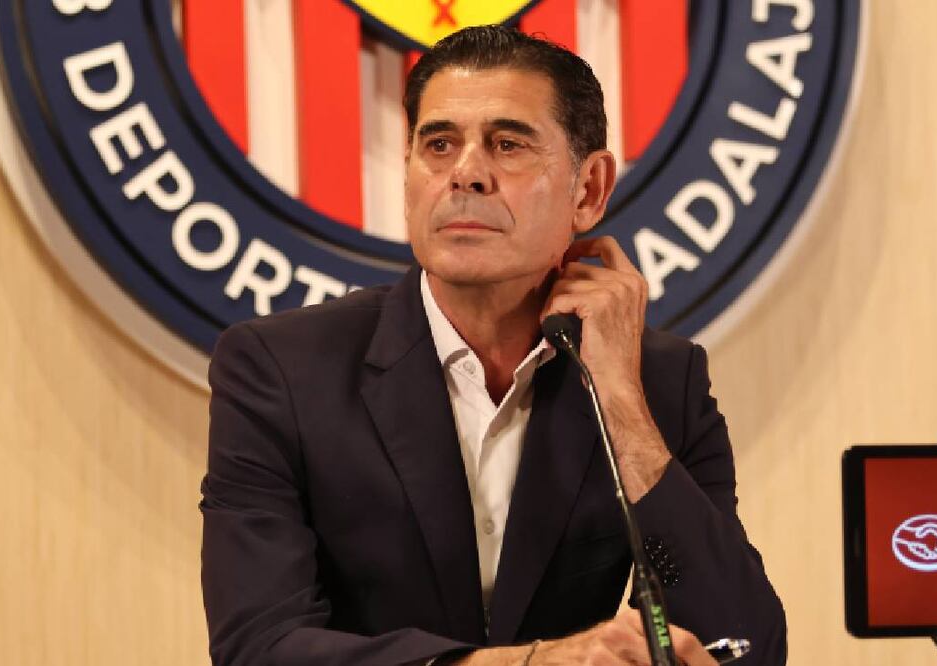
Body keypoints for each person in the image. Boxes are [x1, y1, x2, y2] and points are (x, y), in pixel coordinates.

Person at [201, 25, 786, 666]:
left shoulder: (660, 380)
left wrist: (623, 406)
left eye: (508, 145)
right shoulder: (282, 370)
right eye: (439, 144)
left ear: (589, 190)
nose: (466, 174)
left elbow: (745, 648)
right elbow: (259, 646)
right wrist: (530, 664)